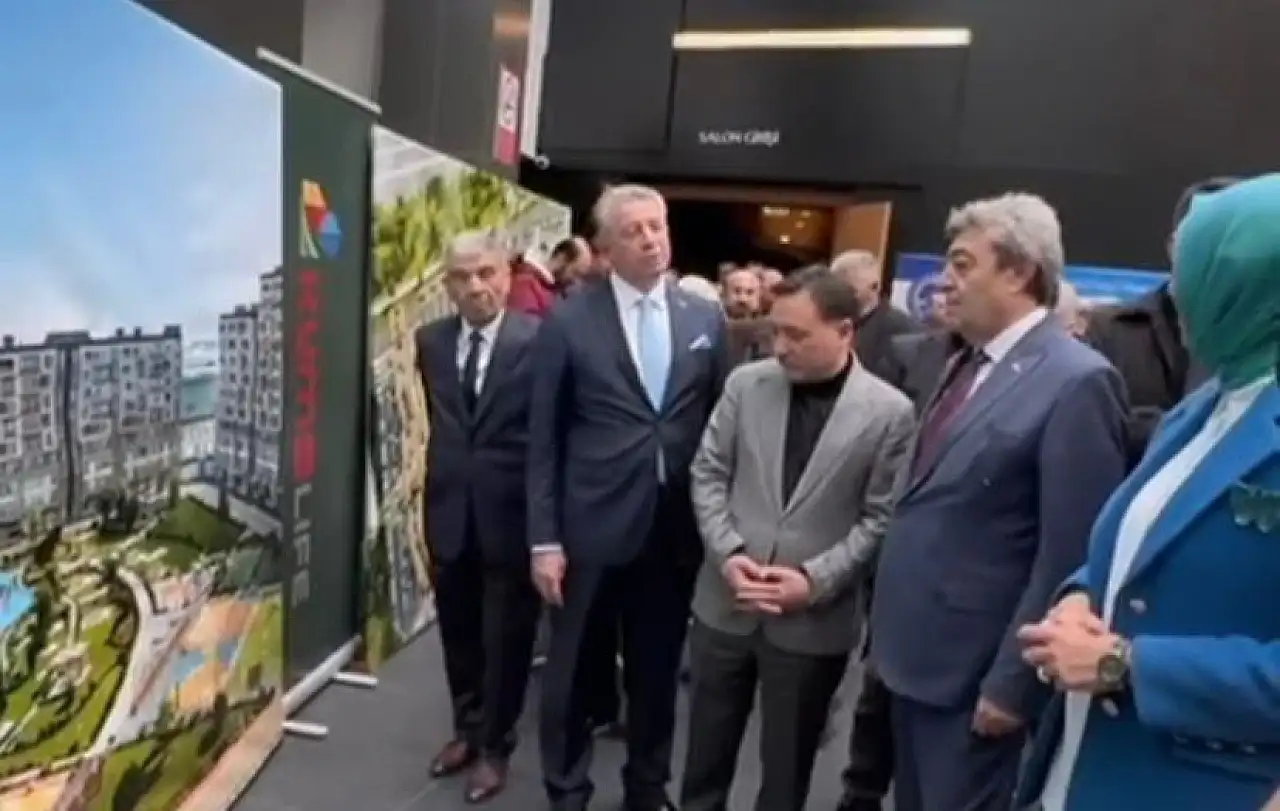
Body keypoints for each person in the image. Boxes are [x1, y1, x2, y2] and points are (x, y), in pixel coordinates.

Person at [1017, 173, 1280, 811]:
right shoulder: (1205, 405)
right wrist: (1079, 594)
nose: (1176, 293)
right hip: (1079, 770)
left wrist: (1128, 665)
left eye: (1200, 273)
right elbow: (1133, 548)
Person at [870, 193, 1129, 811]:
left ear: (1018, 272)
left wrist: (1015, 684)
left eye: (962, 265)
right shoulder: (964, 362)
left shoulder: (1076, 381)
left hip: (977, 681)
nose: (943, 282)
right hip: (914, 663)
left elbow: (1070, 552)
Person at [680, 266, 914, 811]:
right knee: (703, 760)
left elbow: (880, 518)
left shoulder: (889, 413)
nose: (780, 347)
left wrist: (813, 581)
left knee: (786, 773)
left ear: (844, 331)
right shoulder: (746, 385)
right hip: (726, 603)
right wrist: (728, 554)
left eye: (797, 335)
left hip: (812, 622)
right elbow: (708, 472)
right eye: (775, 331)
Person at [528, 184, 727, 811]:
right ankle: (567, 789)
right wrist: (544, 540)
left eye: (657, 226)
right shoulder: (568, 320)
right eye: (634, 230)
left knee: (657, 670)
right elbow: (543, 439)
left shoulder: (704, 319)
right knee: (572, 673)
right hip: (589, 527)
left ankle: (647, 788)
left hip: (673, 530)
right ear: (606, 248)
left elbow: (718, 423)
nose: (650, 240)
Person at [415, 230, 542, 803]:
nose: (475, 287)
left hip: (511, 515)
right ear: (447, 285)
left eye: (486, 273)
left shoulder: (539, 341)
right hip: (449, 512)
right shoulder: (430, 342)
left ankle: (495, 747)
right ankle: (466, 730)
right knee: (459, 634)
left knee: (506, 638)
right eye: (462, 277)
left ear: (506, 274)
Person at [835, 295, 965, 811]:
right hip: (897, 545)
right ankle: (860, 791)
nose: (950, 289)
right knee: (878, 690)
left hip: (959, 570)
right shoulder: (913, 354)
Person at [1086, 177, 1236, 467]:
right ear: (1172, 246)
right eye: (1201, 242)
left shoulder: (1260, 340)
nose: (1213, 258)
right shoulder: (1111, 331)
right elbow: (1092, 430)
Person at [831, 250, 921, 381]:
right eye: (835, 290)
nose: (840, 296)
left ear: (874, 287)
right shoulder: (827, 320)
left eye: (850, 290)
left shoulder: (900, 329)